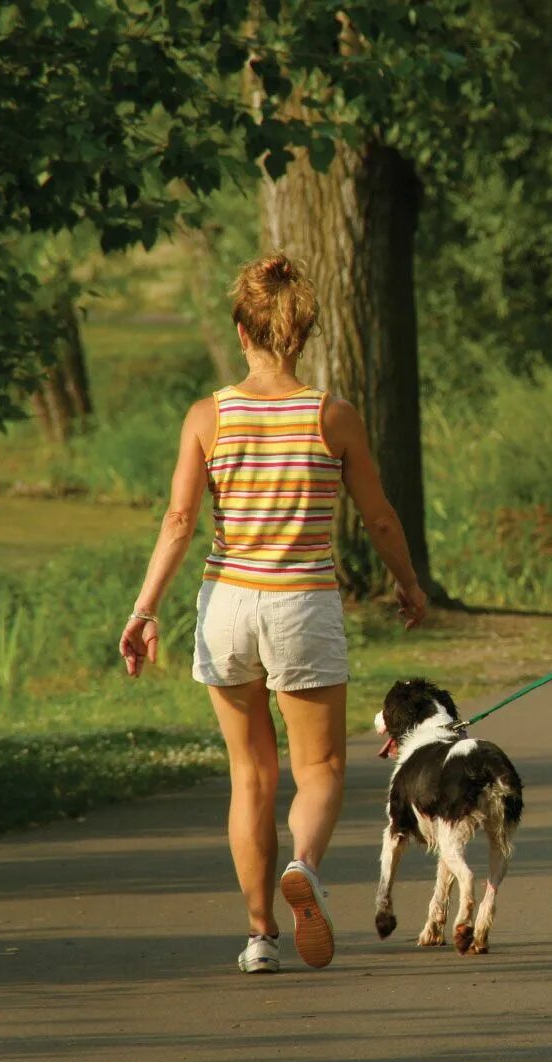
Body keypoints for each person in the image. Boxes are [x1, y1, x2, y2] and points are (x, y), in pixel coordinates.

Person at [119, 254, 427, 975]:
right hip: (302, 604)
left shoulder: (209, 416)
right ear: (305, 331)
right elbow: (379, 518)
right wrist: (408, 585)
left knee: (250, 773)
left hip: (227, 601)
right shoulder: (333, 416)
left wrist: (145, 608)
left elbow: (177, 519)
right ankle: (306, 867)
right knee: (318, 766)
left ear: (240, 328)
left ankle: (260, 935)